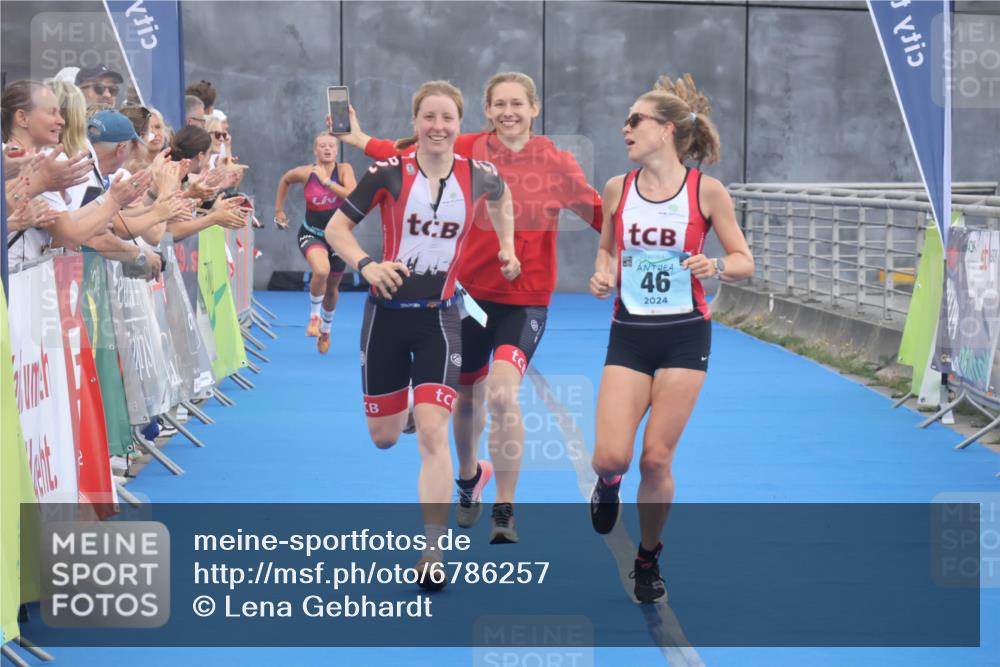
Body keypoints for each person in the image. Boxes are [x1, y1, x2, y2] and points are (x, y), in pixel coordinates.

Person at [341, 72, 601, 543]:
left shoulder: (557, 162)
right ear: (486, 110)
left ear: (534, 109)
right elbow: (406, 153)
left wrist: (623, 253)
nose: (509, 113)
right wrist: (359, 139)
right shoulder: (467, 146)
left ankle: (505, 507)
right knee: (465, 401)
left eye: (518, 104)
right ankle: (469, 478)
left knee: (501, 395)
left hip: (524, 300)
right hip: (467, 297)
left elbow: (597, 212)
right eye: (500, 104)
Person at [325, 80, 519, 590]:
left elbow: (503, 198)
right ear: (414, 123)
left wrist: (507, 246)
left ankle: (432, 553)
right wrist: (366, 265)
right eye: (428, 117)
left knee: (435, 434)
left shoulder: (479, 175)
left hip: (440, 318)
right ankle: (407, 411)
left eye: (447, 118)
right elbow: (335, 230)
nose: (438, 126)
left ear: (460, 124)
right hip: (386, 317)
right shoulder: (389, 173)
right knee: (385, 438)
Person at [588, 74, 754, 603]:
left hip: (685, 334)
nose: (625, 128)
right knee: (610, 458)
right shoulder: (618, 188)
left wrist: (715, 265)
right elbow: (608, 249)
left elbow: (744, 260)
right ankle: (608, 485)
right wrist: (603, 273)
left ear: (665, 130)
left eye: (634, 120)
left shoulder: (706, 191)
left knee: (656, 459)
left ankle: (648, 556)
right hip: (630, 334)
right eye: (626, 120)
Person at [274, 133, 356, 353]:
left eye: (331, 146)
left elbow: (352, 195)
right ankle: (314, 318)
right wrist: (279, 211)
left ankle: (326, 330)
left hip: (338, 238)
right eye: (322, 146)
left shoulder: (344, 170)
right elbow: (285, 180)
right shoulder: (305, 172)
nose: (327, 149)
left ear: (336, 150)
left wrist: (327, 182)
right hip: (312, 233)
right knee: (321, 271)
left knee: (332, 289)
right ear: (315, 150)